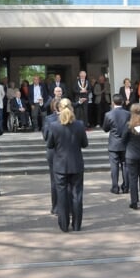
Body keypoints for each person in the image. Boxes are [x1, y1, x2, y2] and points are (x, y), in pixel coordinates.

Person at [46, 98, 88, 232]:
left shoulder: (54, 126)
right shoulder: (79, 125)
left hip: (60, 164)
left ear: (59, 109)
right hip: (76, 163)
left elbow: (50, 145)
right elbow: (84, 144)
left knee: (62, 195)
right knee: (77, 195)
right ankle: (76, 225)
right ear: (72, 108)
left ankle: (64, 225)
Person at [102, 94, 130, 194]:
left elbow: (105, 129)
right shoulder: (128, 114)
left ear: (113, 103)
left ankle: (115, 187)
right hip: (125, 142)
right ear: (122, 102)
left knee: (114, 166)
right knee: (125, 166)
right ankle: (126, 187)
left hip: (114, 143)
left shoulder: (108, 114)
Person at [123, 103, 140, 210]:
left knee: (133, 179)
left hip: (131, 154)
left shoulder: (128, 125)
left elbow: (123, 139)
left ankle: (134, 202)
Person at [42, 98, 61, 214]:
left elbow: (46, 137)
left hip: (53, 151)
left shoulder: (49, 120)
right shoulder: (73, 119)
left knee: (54, 181)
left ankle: (56, 207)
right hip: (65, 152)